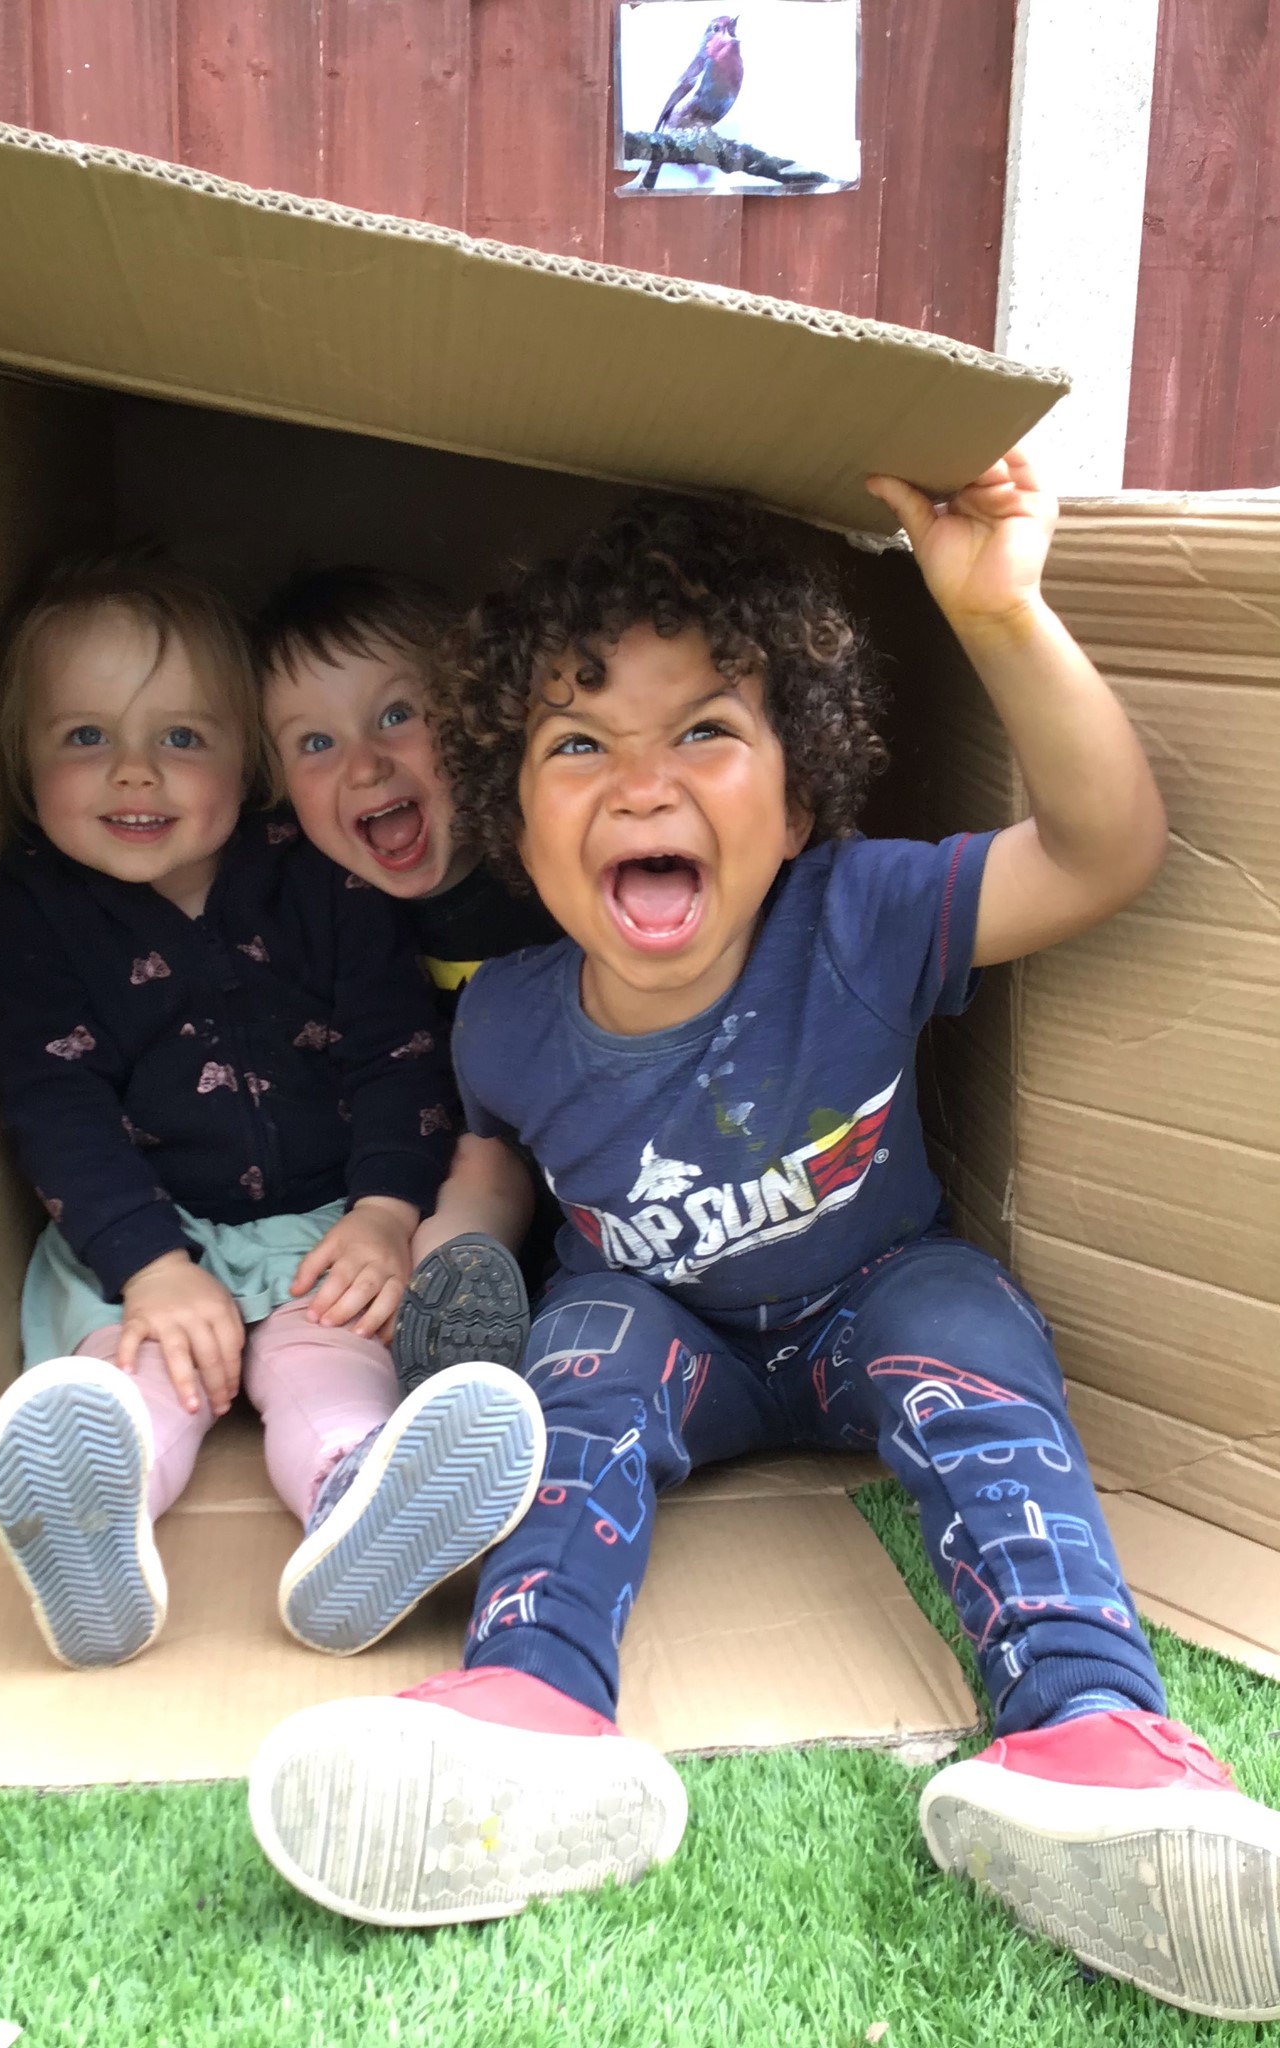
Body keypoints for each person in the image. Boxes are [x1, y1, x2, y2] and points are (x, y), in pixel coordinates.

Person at [245, 459, 1280, 2023]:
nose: (642, 783)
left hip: (877, 1294)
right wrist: (451, 1265)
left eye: (706, 732)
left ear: (801, 798)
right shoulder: (511, 1018)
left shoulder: (858, 914)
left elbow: (1105, 846)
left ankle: (1091, 1738)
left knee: (970, 1321)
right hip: (665, 1332)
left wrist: (997, 612)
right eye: (578, 743)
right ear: (516, 820)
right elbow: (491, 1168)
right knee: (577, 1346)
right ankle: (528, 1709)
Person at [0, 553, 544, 1672]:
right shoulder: (41, 904)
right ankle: (98, 1518)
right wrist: (149, 1264)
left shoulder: (320, 879)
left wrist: (385, 1210)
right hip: (134, 1236)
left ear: (252, 764)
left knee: (331, 1368)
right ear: (22, 760)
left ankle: (357, 1501)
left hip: (320, 1221)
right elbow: (51, 1093)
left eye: (182, 737)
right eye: (86, 737)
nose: (135, 774)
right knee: (137, 1381)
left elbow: (397, 1053)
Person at [251, 566, 561, 1393]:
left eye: (396, 715)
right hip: (472, 1155)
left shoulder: (544, 855)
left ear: (471, 715)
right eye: (315, 744)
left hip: (599, 1122)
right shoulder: (330, 912)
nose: (364, 765)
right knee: (473, 1168)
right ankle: (457, 1313)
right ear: (279, 792)